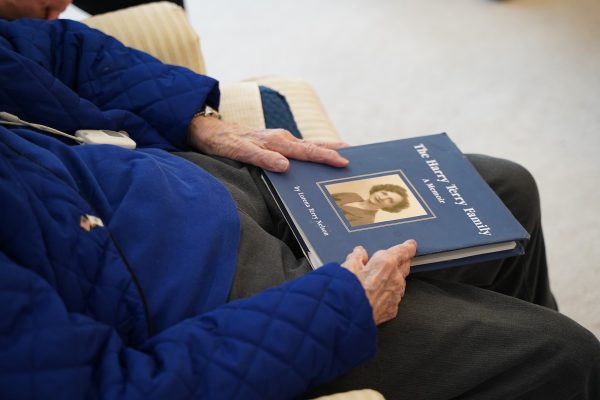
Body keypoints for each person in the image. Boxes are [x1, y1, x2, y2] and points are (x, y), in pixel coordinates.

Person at [0, 5, 599, 400]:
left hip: (195, 183)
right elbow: (105, 388)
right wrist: (340, 311)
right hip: (208, 301)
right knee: (564, 357)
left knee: (505, 192)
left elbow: (55, 49)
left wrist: (195, 120)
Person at [332, 184, 409, 226]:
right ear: (377, 190)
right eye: (384, 193)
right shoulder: (353, 195)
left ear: (391, 207)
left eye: (390, 200)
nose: (382, 198)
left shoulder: (364, 221)